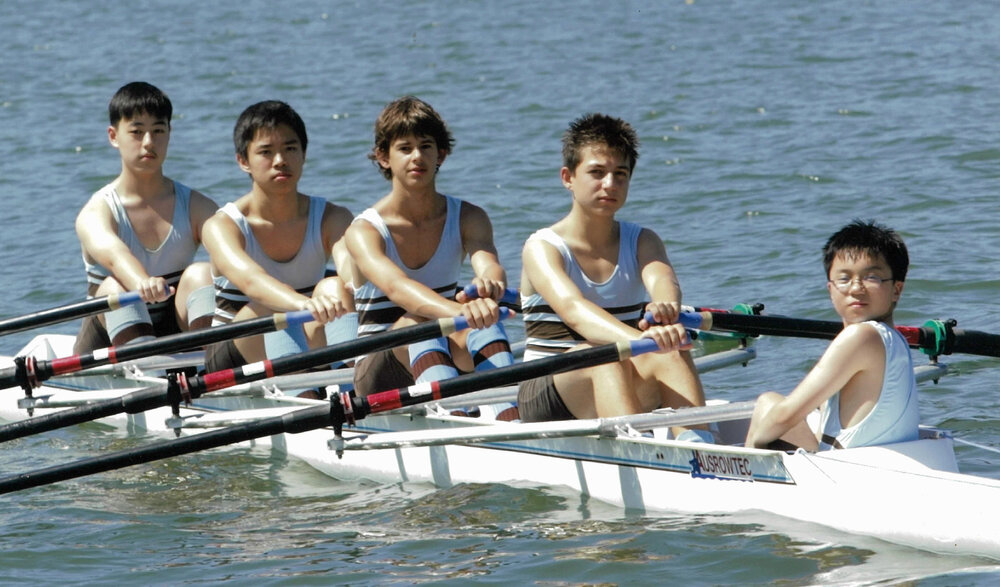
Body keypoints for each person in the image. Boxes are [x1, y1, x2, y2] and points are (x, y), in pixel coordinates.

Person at [516, 113, 707, 438]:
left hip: (620, 369)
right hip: (547, 391)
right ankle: (638, 452)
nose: (610, 184)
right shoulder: (542, 247)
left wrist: (665, 308)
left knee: (671, 351)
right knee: (605, 356)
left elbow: (664, 281)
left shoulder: (643, 240)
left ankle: (699, 447)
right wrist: (641, 339)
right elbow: (574, 311)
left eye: (620, 174)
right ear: (568, 178)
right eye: (597, 172)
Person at [344, 96, 514, 405]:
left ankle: (508, 414)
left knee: (487, 327)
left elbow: (488, 264)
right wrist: (462, 312)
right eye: (405, 148)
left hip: (442, 340)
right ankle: (453, 415)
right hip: (377, 370)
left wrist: (490, 285)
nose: (417, 157)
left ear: (441, 155)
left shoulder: (469, 217)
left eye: (425, 146)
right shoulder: (365, 231)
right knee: (421, 323)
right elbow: (397, 288)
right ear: (383, 157)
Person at [201, 100, 355, 375]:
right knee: (272, 307)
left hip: (304, 339)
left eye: (290, 149)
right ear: (243, 161)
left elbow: (351, 269)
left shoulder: (333, 218)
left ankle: (350, 384)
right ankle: (306, 392)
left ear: (304, 154)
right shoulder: (222, 226)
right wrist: (302, 304)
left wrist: (359, 282)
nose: (280, 161)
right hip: (233, 355)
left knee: (335, 287)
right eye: (266, 152)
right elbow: (252, 281)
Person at [744, 220, 918, 451]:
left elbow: (785, 416)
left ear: (897, 289)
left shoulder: (862, 336)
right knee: (774, 405)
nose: (856, 288)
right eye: (844, 279)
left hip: (847, 468)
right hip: (870, 460)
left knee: (768, 405)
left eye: (871, 277)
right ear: (831, 290)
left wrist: (752, 446)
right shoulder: (897, 340)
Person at [74, 81, 218, 353]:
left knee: (202, 273)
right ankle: (151, 370)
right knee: (117, 287)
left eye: (158, 131)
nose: (149, 142)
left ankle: (209, 363)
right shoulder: (96, 212)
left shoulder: (197, 206)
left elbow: (234, 252)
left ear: (169, 134)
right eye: (137, 132)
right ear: (114, 136)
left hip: (174, 327)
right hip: (106, 341)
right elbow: (116, 257)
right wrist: (142, 282)